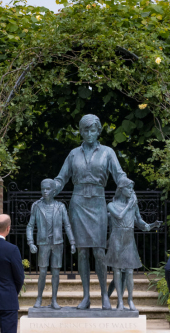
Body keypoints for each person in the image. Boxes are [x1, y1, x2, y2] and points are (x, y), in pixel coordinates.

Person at [52, 114, 130, 310]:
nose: (88, 133)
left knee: (99, 251)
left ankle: (104, 295)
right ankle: (86, 296)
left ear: (98, 131)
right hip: (78, 203)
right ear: (81, 131)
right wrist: (52, 187)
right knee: (82, 252)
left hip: (97, 202)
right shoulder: (73, 154)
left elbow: (119, 175)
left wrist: (128, 185)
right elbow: (61, 178)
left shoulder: (107, 152)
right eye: (85, 130)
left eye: (92, 130)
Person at [106, 178, 162, 310]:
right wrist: (129, 205)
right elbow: (119, 216)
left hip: (129, 238)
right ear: (121, 189)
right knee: (117, 271)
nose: (131, 191)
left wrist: (152, 225)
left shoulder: (133, 205)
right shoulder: (111, 205)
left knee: (130, 271)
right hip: (116, 238)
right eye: (129, 188)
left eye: (132, 188)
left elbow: (140, 222)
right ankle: (120, 302)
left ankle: (130, 300)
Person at [27, 179, 76, 309]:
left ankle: (54, 300)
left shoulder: (60, 207)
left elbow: (67, 225)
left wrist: (72, 242)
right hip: (43, 243)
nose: (45, 191)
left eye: (47, 189)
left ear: (54, 191)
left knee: (56, 272)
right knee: (42, 272)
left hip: (57, 243)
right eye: (43, 189)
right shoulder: (37, 206)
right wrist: (30, 242)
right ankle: (39, 298)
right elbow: (30, 226)